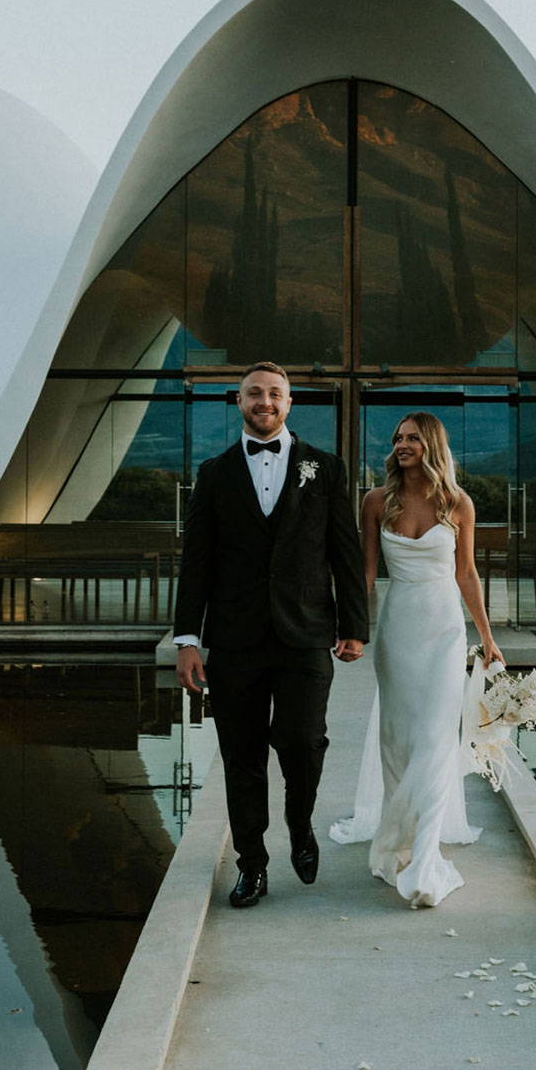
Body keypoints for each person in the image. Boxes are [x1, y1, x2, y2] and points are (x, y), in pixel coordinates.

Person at [174, 362, 368, 908]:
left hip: (306, 633)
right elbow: (197, 563)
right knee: (242, 754)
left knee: (304, 742)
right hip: (235, 639)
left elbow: (344, 552)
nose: (265, 401)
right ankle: (252, 864)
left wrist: (355, 626)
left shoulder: (325, 469)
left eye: (275, 394)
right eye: (255, 393)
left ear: (290, 403)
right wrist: (187, 639)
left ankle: (301, 827)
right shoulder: (213, 474)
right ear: (239, 403)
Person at [330, 412, 502, 908]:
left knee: (435, 736)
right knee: (399, 738)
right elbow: (364, 572)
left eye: (411, 438)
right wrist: (351, 628)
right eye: (398, 438)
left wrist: (486, 638)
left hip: (445, 630)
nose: (401, 444)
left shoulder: (458, 503)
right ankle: (399, 840)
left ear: (431, 445)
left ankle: (425, 859)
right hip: (399, 629)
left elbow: (467, 574)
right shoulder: (376, 501)